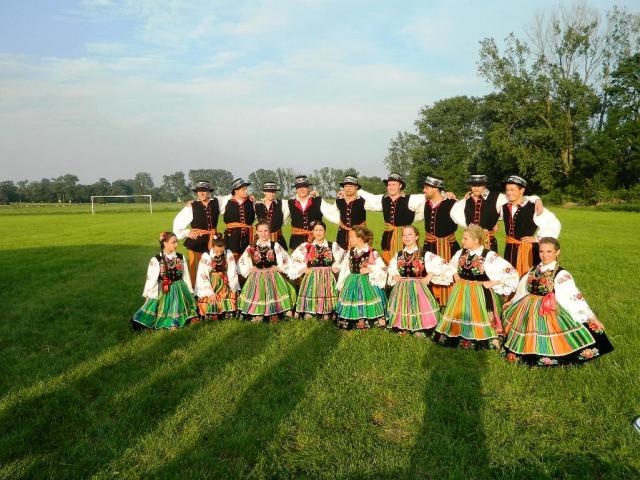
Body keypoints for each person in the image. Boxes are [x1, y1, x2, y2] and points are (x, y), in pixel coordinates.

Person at [501, 237, 613, 366]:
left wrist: (591, 317)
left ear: (557, 252)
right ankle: (526, 351)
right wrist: (513, 301)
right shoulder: (534, 269)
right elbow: (523, 289)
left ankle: (544, 354)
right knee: (526, 328)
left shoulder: (561, 274)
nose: (545, 255)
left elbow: (573, 297)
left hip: (548, 310)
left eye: (549, 251)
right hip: (527, 307)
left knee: (547, 331)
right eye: (541, 251)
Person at [433, 225, 519, 350]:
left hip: (479, 293)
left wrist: (493, 282)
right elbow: (451, 266)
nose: (462, 241)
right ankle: (458, 334)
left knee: (479, 316)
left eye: (465, 238)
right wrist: (456, 277)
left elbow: (511, 273)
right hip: (461, 291)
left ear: (476, 240)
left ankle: (478, 337)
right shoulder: (461, 253)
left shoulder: (489, 256)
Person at [450, 174, 543, 252]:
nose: (476, 188)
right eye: (473, 185)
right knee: (468, 266)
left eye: (479, 185)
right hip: (470, 243)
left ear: (484, 185)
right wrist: (469, 227)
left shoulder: (498, 197)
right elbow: (454, 214)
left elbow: (518, 198)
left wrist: (536, 199)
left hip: (489, 242)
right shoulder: (465, 200)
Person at [386, 226, 450, 337]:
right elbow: (391, 267)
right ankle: (404, 325)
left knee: (419, 307)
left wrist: (429, 275)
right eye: (404, 235)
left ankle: (420, 326)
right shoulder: (399, 255)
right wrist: (395, 275)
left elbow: (443, 264)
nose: (406, 237)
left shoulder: (424, 254)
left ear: (416, 237)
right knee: (403, 307)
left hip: (419, 289)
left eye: (410, 234)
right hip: (402, 289)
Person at [131, 232, 199, 331]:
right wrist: (148, 295)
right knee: (159, 309)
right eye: (173, 242)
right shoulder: (156, 260)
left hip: (180, 289)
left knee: (180, 306)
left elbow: (186, 276)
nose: (176, 245)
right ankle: (169, 322)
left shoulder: (180, 257)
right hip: (163, 289)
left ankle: (175, 321)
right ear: (165, 243)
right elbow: (151, 280)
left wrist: (190, 291)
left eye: (177, 242)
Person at [355, 173, 426, 264]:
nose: (391, 187)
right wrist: (356, 191)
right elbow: (370, 198)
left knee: (405, 262)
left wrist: (445, 194)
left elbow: (428, 197)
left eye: (394, 184)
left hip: (404, 237)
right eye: (389, 185)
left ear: (400, 186)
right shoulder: (384, 199)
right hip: (387, 237)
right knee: (387, 262)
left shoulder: (410, 199)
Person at [237, 220, 296, 322]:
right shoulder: (252, 246)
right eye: (260, 231)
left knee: (274, 294)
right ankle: (258, 313)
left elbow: (286, 258)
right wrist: (250, 268)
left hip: (272, 275)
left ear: (269, 231)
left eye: (265, 231)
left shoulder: (275, 245)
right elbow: (243, 260)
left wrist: (280, 267)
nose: (263, 234)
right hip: (257, 276)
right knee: (258, 294)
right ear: (257, 232)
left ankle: (274, 312)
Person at [173, 181, 231, 285]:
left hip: (213, 239)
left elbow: (232, 196)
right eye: (199, 191)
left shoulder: (217, 202)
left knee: (213, 265)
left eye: (204, 190)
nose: (201, 193)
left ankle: (213, 286)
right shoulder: (192, 205)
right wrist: (187, 233)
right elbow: (178, 223)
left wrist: (248, 196)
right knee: (197, 266)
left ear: (209, 192)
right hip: (197, 240)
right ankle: (195, 289)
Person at [501, 175, 561, 277]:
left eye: (512, 190)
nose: (509, 193)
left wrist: (537, 238)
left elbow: (554, 224)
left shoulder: (533, 207)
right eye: (507, 190)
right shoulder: (504, 205)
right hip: (509, 249)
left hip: (527, 250)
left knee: (527, 277)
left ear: (522, 190)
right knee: (509, 277)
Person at [288, 221, 346, 319]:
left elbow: (345, 258)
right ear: (313, 232)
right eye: (316, 230)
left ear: (325, 231)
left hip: (327, 277)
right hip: (312, 277)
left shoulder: (332, 245)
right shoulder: (307, 246)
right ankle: (311, 311)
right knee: (312, 294)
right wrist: (303, 268)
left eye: (321, 230)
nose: (318, 233)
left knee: (327, 296)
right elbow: (293, 259)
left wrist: (337, 267)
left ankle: (327, 311)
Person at [335, 225, 387, 329]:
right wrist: (340, 285)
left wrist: (370, 269)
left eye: (352, 237)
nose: (350, 239)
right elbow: (345, 269)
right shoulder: (350, 252)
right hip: (351, 281)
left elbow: (382, 268)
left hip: (366, 282)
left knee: (365, 298)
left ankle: (366, 319)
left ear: (360, 238)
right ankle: (352, 319)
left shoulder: (371, 252)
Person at [421, 175, 460, 307]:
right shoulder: (425, 203)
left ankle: (449, 300)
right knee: (428, 269)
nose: (424, 190)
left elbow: (466, 218)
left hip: (447, 245)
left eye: (426, 188)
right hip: (430, 244)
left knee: (449, 269)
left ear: (435, 188)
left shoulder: (453, 204)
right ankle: (431, 300)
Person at [285, 175, 338, 251]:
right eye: (298, 187)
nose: (301, 189)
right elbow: (280, 217)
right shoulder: (290, 203)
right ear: (296, 190)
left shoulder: (318, 201)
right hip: (296, 243)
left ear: (308, 188)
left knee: (316, 258)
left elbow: (331, 212)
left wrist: (340, 199)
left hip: (315, 241)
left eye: (304, 186)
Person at [194, 235, 240, 320]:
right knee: (210, 302)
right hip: (211, 283)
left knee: (229, 297)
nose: (219, 253)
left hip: (225, 281)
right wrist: (210, 293)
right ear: (213, 247)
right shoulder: (206, 256)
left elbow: (232, 271)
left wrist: (232, 287)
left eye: (221, 251)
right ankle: (213, 311)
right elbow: (203, 275)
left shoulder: (228, 253)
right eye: (217, 251)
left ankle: (226, 311)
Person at [327, 175, 369, 250]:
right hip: (342, 235)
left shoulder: (363, 201)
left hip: (358, 235)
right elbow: (332, 213)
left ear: (356, 187)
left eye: (351, 186)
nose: (348, 188)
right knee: (341, 255)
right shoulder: (339, 200)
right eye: (346, 186)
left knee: (358, 255)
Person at [223, 178, 256, 260]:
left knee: (247, 259)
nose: (246, 191)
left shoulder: (251, 202)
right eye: (243, 189)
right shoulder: (226, 201)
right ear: (236, 191)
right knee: (232, 259)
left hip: (247, 236)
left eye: (246, 189)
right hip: (232, 237)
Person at [254, 181, 288, 250]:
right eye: (269, 191)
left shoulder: (283, 204)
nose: (271, 194)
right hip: (262, 240)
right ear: (264, 192)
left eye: (273, 192)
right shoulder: (256, 205)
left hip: (278, 239)